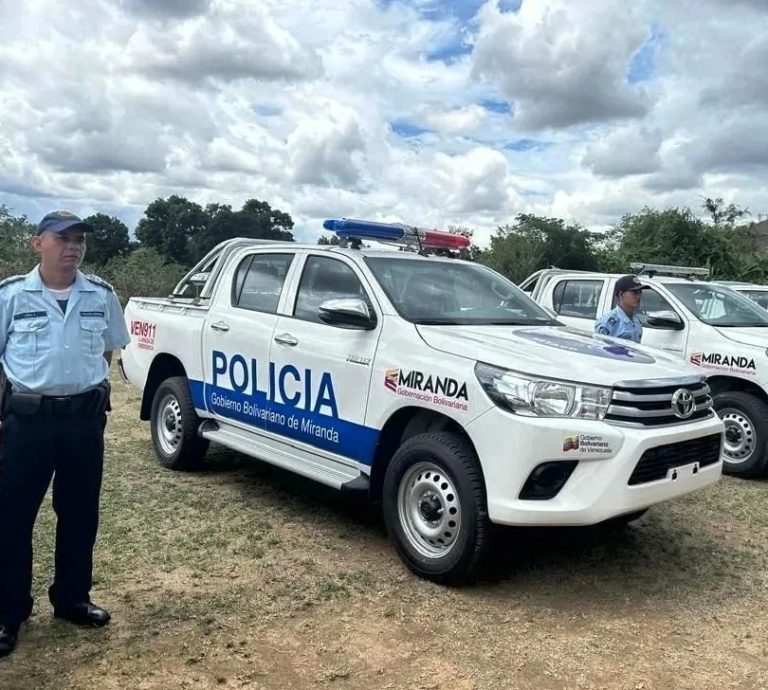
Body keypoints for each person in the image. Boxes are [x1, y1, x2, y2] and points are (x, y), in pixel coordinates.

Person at [0, 211, 130, 658]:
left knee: (79, 513)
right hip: (26, 422)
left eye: (79, 240)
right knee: (12, 518)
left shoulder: (101, 295)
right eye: (63, 238)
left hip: (82, 421)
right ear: (38, 243)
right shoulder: (11, 296)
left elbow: (109, 348)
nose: (73, 246)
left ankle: (72, 599)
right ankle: (8, 611)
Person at [594, 274, 646, 343]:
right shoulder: (607, 323)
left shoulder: (636, 322)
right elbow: (598, 349)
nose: (638, 297)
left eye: (640, 293)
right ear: (621, 294)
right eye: (634, 293)